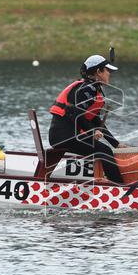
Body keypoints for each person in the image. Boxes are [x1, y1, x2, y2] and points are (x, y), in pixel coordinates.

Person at [48, 54, 125, 184]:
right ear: (98, 72)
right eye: (107, 70)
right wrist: (92, 132)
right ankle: (119, 187)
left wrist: (116, 143)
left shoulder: (93, 88)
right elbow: (75, 113)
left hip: (70, 136)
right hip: (64, 137)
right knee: (104, 151)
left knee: (105, 149)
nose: (109, 74)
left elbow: (95, 121)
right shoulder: (86, 89)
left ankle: (111, 182)